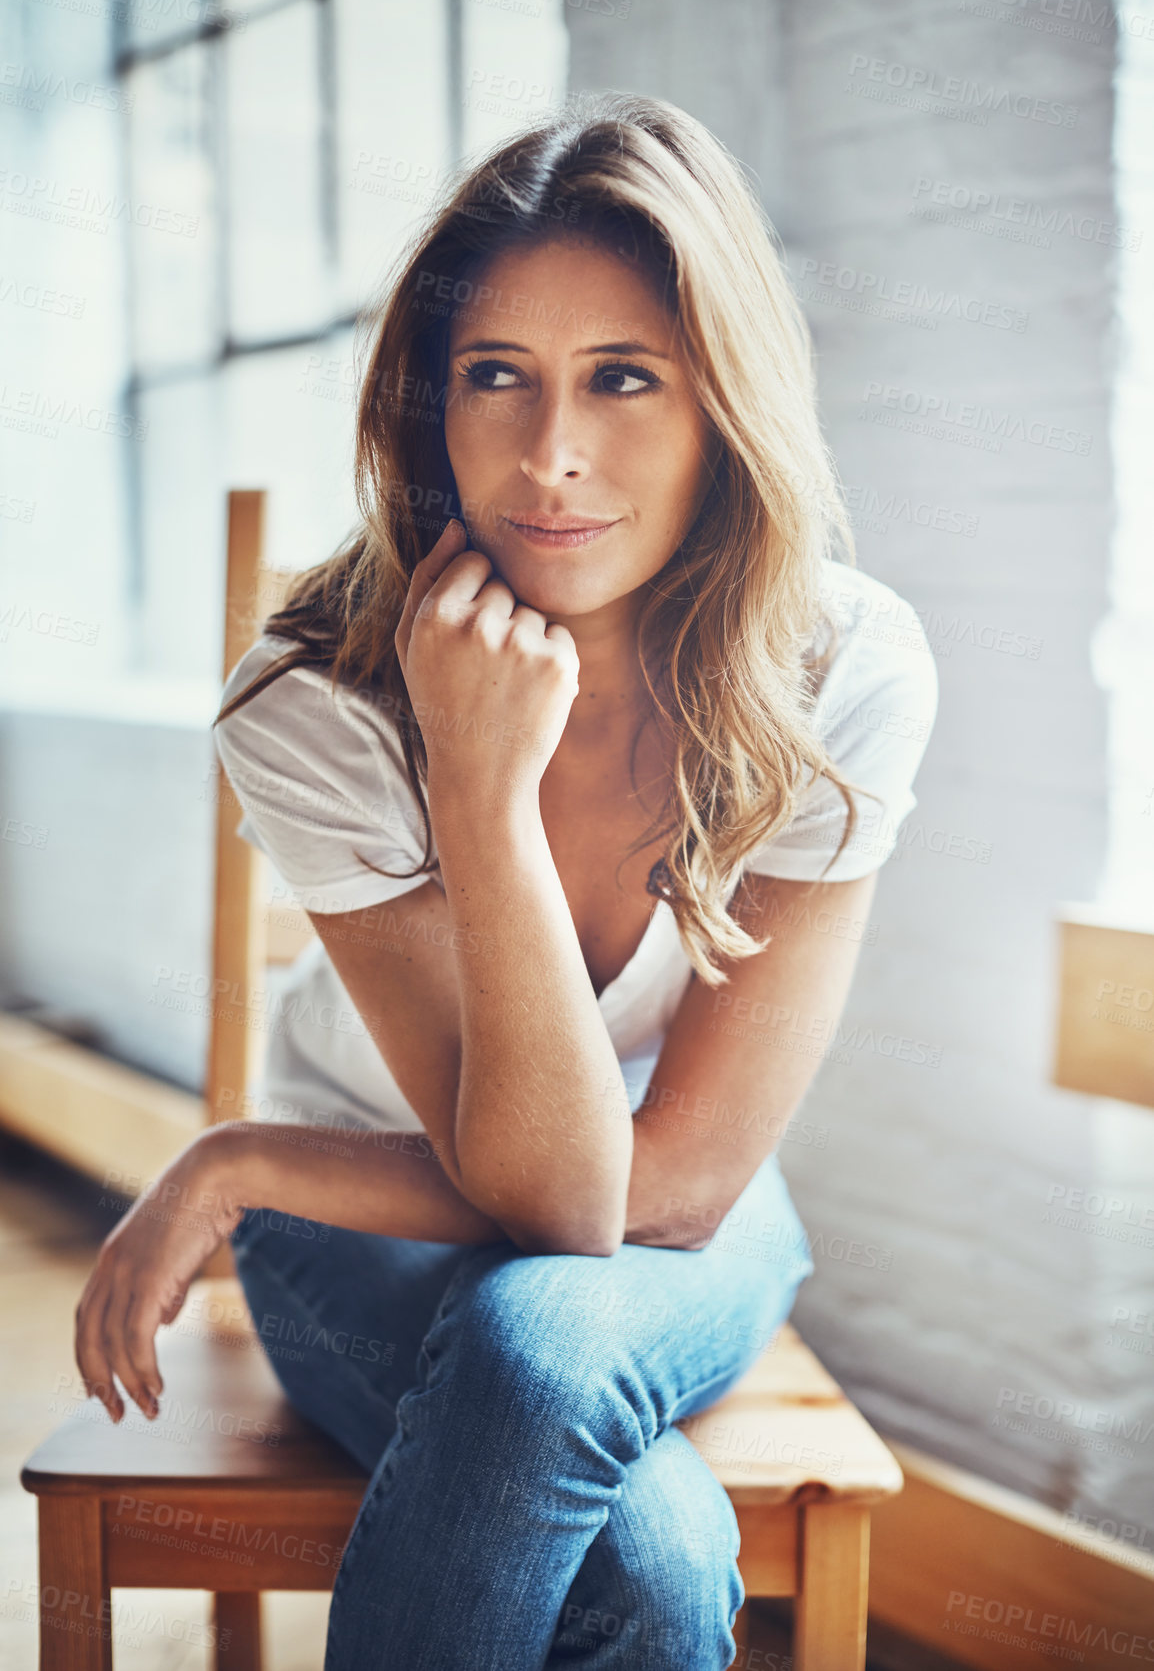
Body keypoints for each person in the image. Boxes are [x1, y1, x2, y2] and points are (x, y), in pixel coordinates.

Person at [74, 92, 938, 1669]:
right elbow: (539, 1184)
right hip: (365, 1216)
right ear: (428, 407)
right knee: (651, 1565)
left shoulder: (843, 669)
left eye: (624, 378)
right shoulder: (314, 702)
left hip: (687, 1208)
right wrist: (477, 779)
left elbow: (647, 1191)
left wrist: (232, 1158)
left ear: (725, 402)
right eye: (495, 379)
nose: (549, 459)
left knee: (544, 1335)